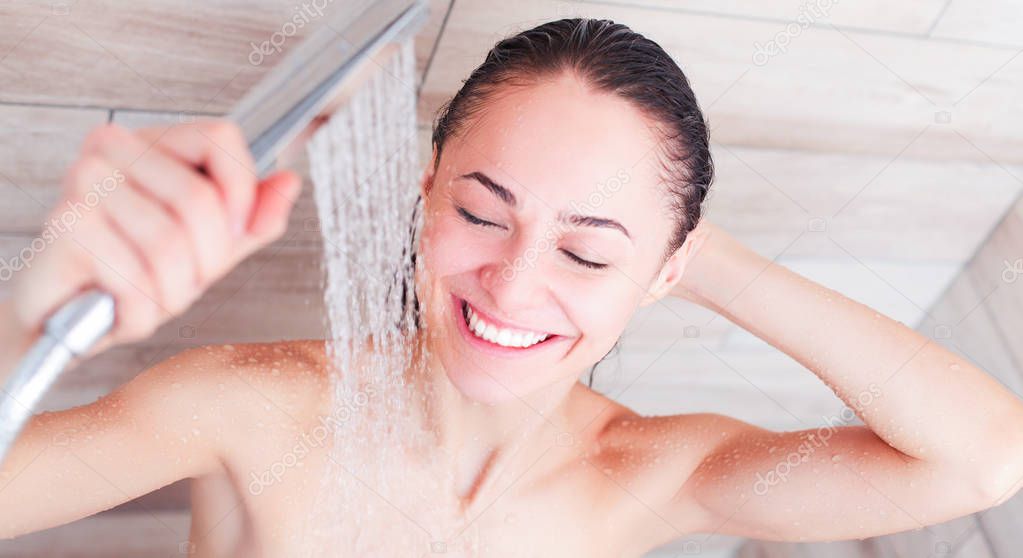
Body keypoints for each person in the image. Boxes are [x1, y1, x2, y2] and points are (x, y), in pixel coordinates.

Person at [2, 18, 1021, 557]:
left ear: (665, 270)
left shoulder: (648, 476)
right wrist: (25, 326)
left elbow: (982, 460)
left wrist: (691, 256)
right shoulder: (250, 406)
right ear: (425, 196)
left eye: (585, 253)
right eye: (483, 214)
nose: (513, 281)